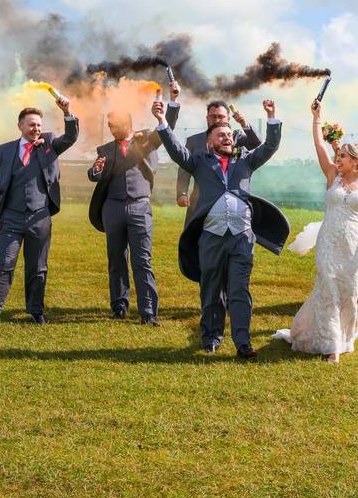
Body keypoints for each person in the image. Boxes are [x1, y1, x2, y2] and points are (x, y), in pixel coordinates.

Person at [153, 94, 288, 358]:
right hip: (211, 237)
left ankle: (243, 342)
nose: (227, 137)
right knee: (211, 290)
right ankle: (212, 337)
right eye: (220, 135)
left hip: (242, 238)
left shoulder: (246, 161)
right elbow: (176, 150)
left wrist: (272, 117)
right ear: (209, 142)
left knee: (239, 291)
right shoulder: (199, 162)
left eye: (229, 134)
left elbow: (270, 146)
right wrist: (161, 121)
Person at [273, 101, 358, 363]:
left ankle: (343, 336)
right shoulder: (332, 175)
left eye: (343, 157)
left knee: (348, 292)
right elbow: (318, 145)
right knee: (327, 285)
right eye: (338, 157)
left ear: (356, 161)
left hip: (352, 243)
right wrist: (317, 118)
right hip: (328, 239)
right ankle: (331, 346)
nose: (338, 160)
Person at [0, 96, 79, 329]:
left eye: (39, 125)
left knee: (38, 267)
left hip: (40, 217)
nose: (36, 129)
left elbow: (72, 137)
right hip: (10, 218)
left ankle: (36, 310)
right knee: (5, 262)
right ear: (20, 126)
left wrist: (67, 112)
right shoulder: (3, 151)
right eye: (32, 124)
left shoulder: (49, 144)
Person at [87, 83, 179, 325]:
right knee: (116, 259)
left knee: (142, 260)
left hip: (140, 206)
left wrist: (172, 103)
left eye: (113, 125)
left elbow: (167, 126)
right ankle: (119, 306)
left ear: (126, 124)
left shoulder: (147, 139)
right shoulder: (105, 149)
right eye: (108, 125)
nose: (110, 128)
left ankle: (148, 311)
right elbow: (95, 174)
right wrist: (94, 171)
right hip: (112, 208)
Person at [174, 100, 261, 224]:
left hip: (233, 201)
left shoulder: (236, 137)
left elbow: (256, 142)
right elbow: (184, 169)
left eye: (221, 117)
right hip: (200, 199)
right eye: (213, 116)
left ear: (228, 119)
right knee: (194, 236)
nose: (216, 120)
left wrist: (244, 123)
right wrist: (181, 193)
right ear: (207, 118)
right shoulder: (194, 141)